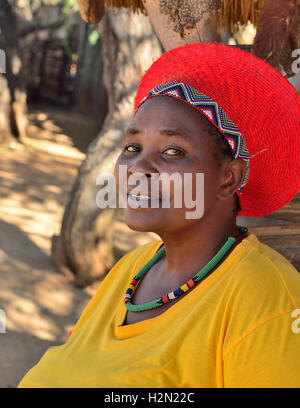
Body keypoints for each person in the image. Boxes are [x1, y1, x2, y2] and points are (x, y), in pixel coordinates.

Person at [18, 43, 300, 388]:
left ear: (228, 178)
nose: (138, 167)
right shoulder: (131, 269)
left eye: (172, 151)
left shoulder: (264, 299)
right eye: (132, 148)